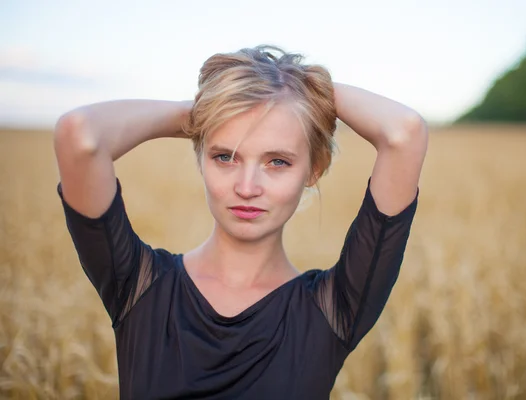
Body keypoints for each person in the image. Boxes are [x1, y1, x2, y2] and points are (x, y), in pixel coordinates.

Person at [54, 44, 428, 399]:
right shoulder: (136, 285)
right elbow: (80, 136)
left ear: (314, 169)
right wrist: (203, 112)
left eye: (277, 161)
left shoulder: (336, 308)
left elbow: (404, 133)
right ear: (201, 158)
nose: (247, 187)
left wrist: (299, 93)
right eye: (225, 156)